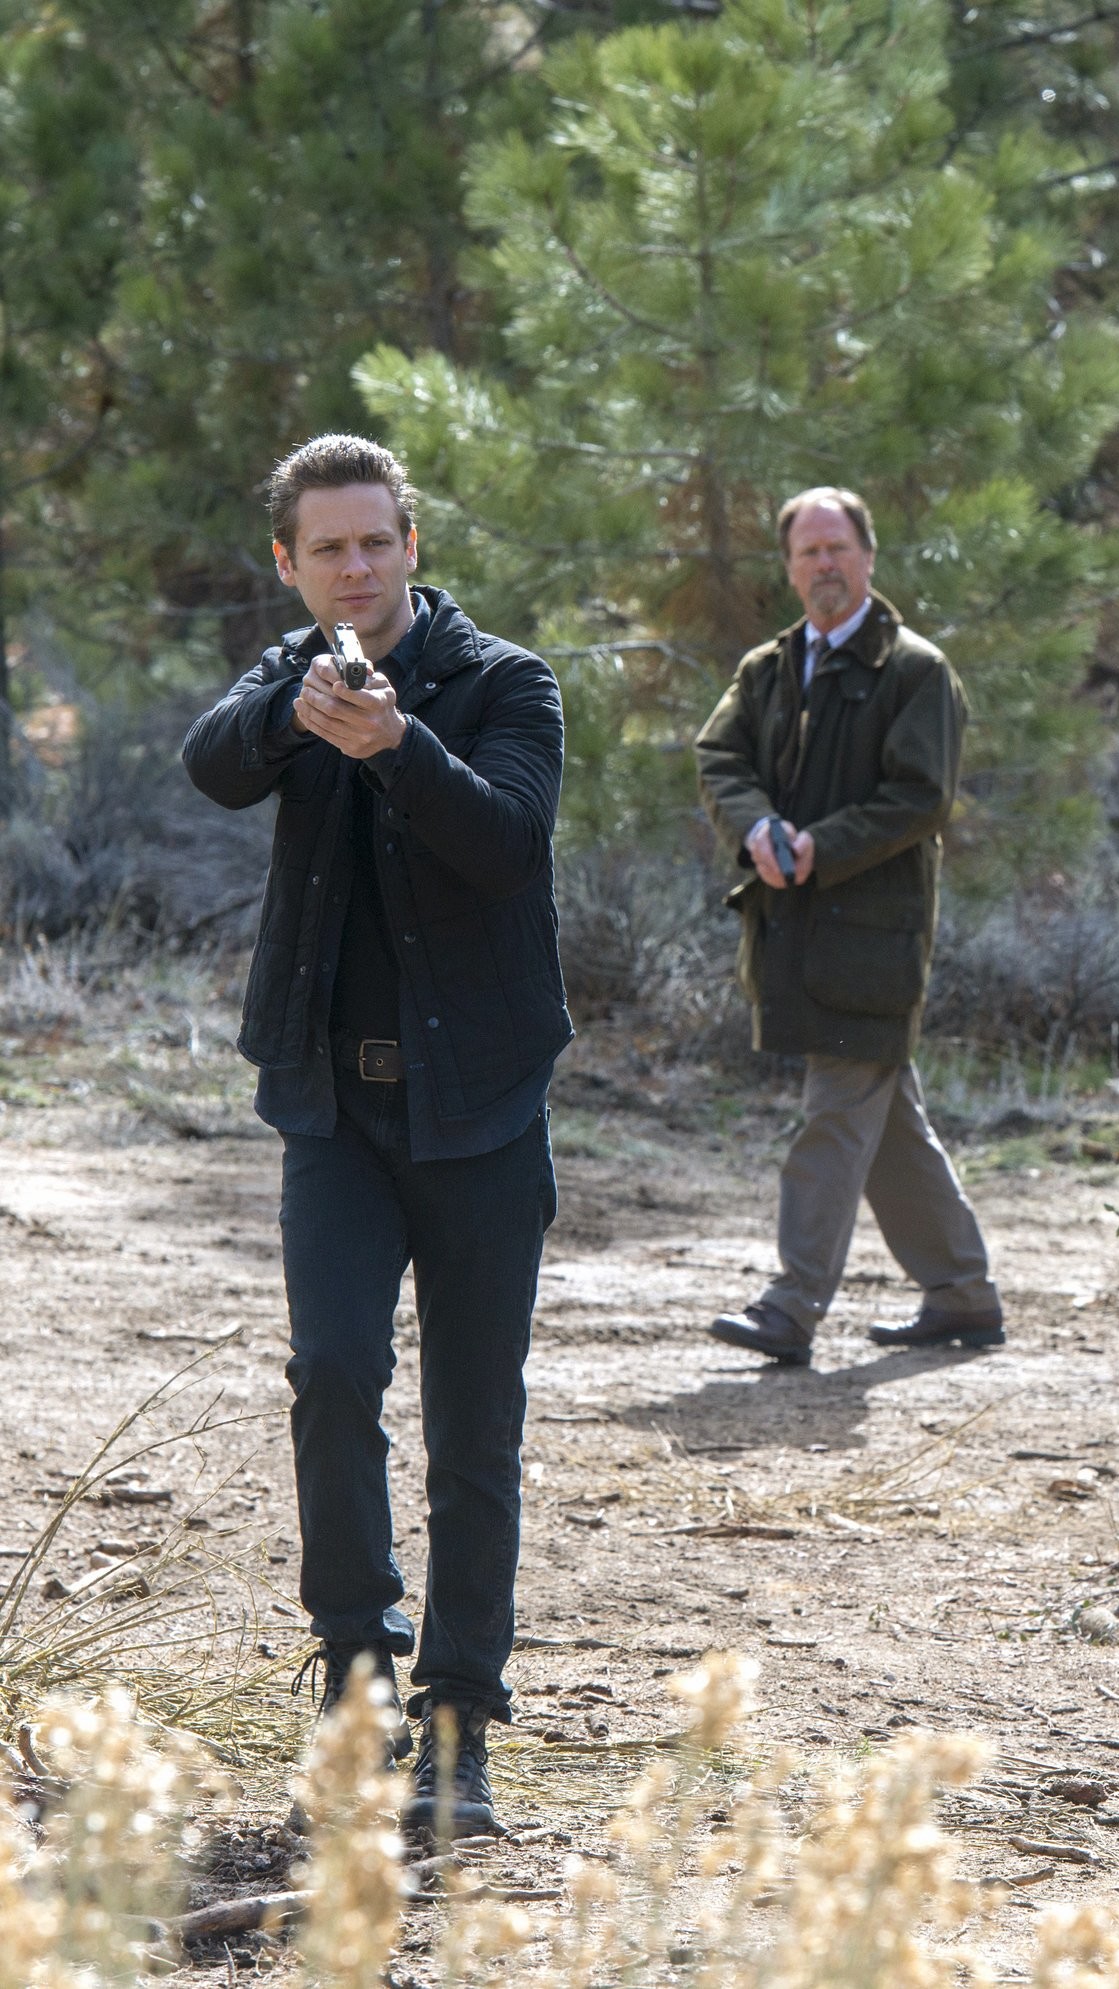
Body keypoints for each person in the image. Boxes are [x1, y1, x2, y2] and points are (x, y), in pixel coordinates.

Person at [183, 433, 568, 1839]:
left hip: (481, 1115)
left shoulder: (506, 682)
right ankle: (356, 1676)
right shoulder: (288, 678)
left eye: (377, 540)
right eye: (327, 548)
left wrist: (402, 745)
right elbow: (211, 764)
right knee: (333, 1376)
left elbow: (506, 838)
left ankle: (458, 1727)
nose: (357, 566)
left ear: (414, 542)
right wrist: (301, 712)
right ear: (289, 563)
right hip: (331, 1113)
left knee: (478, 1431)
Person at [696, 487, 1002, 1365]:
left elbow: (920, 797)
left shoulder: (916, 670)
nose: (823, 565)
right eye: (807, 552)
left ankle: (791, 1307)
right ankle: (963, 1295)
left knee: (835, 1115)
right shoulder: (767, 668)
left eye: (838, 548)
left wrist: (815, 846)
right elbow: (719, 756)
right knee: (887, 1123)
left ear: (868, 556)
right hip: (792, 936)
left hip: (873, 944)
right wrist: (756, 829)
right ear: (789, 568)